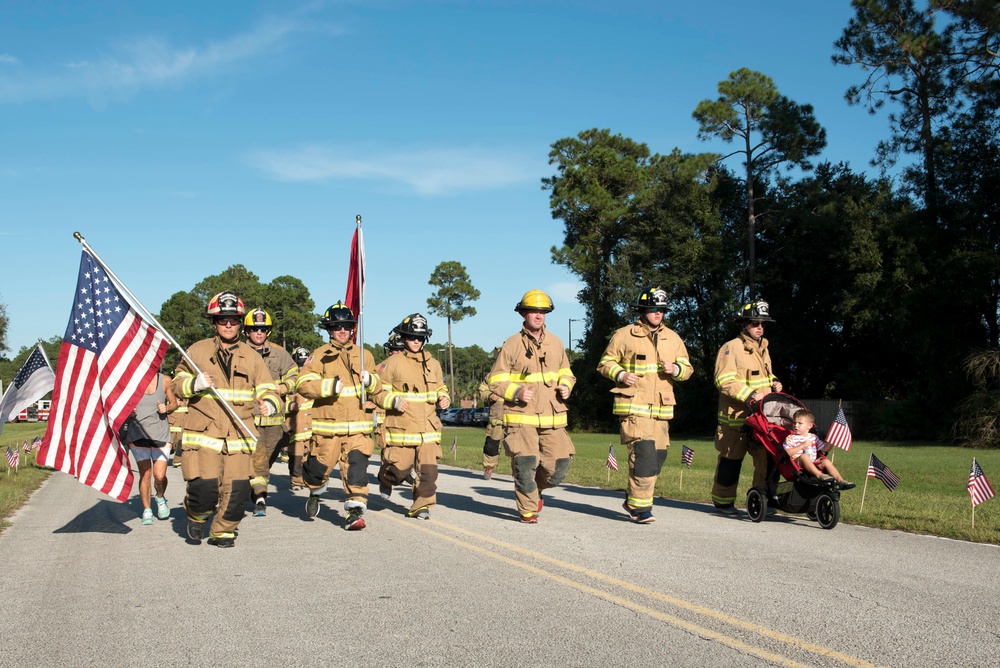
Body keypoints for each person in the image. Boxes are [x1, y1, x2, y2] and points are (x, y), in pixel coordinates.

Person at [172, 292, 281, 548]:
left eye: (233, 320)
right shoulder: (197, 351)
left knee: (238, 492)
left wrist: (269, 403)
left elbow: (268, 388)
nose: (228, 325)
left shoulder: (252, 357)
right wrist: (194, 384)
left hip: (239, 438)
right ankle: (197, 517)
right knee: (204, 492)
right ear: (214, 322)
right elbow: (176, 385)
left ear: (240, 322)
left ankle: (223, 531)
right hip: (204, 437)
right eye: (223, 320)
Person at [598, 286, 693, 524]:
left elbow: (688, 369)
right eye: (653, 309)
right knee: (644, 457)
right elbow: (605, 363)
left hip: (661, 411)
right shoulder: (624, 335)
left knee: (657, 458)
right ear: (642, 310)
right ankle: (642, 509)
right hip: (634, 408)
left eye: (661, 310)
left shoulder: (673, 338)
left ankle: (633, 500)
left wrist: (677, 369)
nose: (657, 314)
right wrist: (620, 375)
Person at [488, 290, 575, 523]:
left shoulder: (556, 343)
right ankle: (528, 509)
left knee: (558, 469)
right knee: (525, 466)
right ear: (524, 314)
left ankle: (537, 489)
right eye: (534, 311)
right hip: (521, 419)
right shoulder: (512, 344)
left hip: (553, 418)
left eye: (543, 312)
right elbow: (494, 380)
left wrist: (566, 386)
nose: (539, 316)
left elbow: (567, 373)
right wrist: (516, 392)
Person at [295, 302, 379, 531]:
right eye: (337, 326)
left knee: (357, 469)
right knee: (315, 472)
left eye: (346, 326)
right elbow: (302, 384)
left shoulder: (365, 355)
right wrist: (327, 387)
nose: (342, 330)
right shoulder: (318, 356)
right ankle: (314, 492)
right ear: (329, 329)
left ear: (353, 328)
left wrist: (371, 382)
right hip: (327, 432)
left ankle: (354, 513)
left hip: (357, 430)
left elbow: (380, 387)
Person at [373, 314, 450, 519]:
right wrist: (393, 401)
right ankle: (386, 478)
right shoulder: (391, 364)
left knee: (429, 472)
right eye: (412, 337)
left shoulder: (433, 364)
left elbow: (441, 387)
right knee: (398, 470)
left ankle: (421, 505)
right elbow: (377, 392)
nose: (416, 341)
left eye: (420, 338)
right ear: (404, 337)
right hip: (403, 428)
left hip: (428, 429)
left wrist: (444, 397)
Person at [711, 300, 783, 514]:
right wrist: (750, 396)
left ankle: (761, 500)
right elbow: (724, 381)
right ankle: (723, 503)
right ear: (743, 325)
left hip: (762, 419)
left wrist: (775, 382)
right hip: (736, 419)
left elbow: (765, 375)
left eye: (762, 323)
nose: (760, 327)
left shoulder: (763, 347)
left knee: (767, 460)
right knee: (730, 463)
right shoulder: (731, 348)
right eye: (755, 323)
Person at [243, 308, 298, 517]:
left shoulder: (280, 354)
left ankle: (256, 488)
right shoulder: (240, 352)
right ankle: (260, 497)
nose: (259, 333)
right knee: (257, 462)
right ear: (247, 331)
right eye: (255, 329)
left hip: (274, 420)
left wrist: (282, 388)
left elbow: (295, 376)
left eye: (263, 329)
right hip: (249, 420)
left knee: (267, 461)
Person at [126, 369, 179, 524]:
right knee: (145, 474)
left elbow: (175, 403)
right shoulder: (131, 380)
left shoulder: (165, 380)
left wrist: (167, 408)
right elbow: (121, 403)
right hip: (138, 434)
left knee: (159, 476)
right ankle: (147, 510)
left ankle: (160, 498)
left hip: (160, 434)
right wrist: (128, 411)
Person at [783, 409, 855, 489]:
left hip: (814, 462)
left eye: (800, 423)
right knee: (804, 456)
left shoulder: (813, 437)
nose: (796, 425)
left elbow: (825, 449)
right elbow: (787, 453)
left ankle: (840, 481)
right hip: (798, 462)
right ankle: (819, 475)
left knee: (826, 462)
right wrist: (801, 446)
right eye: (794, 423)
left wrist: (833, 441)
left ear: (810, 425)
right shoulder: (791, 438)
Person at [286, 346, 313, 490]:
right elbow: (280, 398)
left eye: (304, 363)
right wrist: (289, 405)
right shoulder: (290, 379)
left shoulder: (313, 377)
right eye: (299, 364)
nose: (302, 367)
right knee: (295, 454)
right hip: (295, 424)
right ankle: (296, 480)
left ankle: (307, 478)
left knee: (311, 453)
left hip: (311, 424)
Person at [479, 347, 504, 480]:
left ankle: (519, 473)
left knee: (519, 447)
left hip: (516, 418)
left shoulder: (518, 375)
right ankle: (489, 467)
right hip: (497, 418)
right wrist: (489, 395)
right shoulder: (491, 376)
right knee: (492, 444)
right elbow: (482, 391)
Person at [168, 395, 188, 468]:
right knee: (170, 446)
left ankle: (177, 461)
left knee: (182, 443)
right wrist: (174, 402)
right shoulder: (169, 392)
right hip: (173, 424)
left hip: (183, 423)